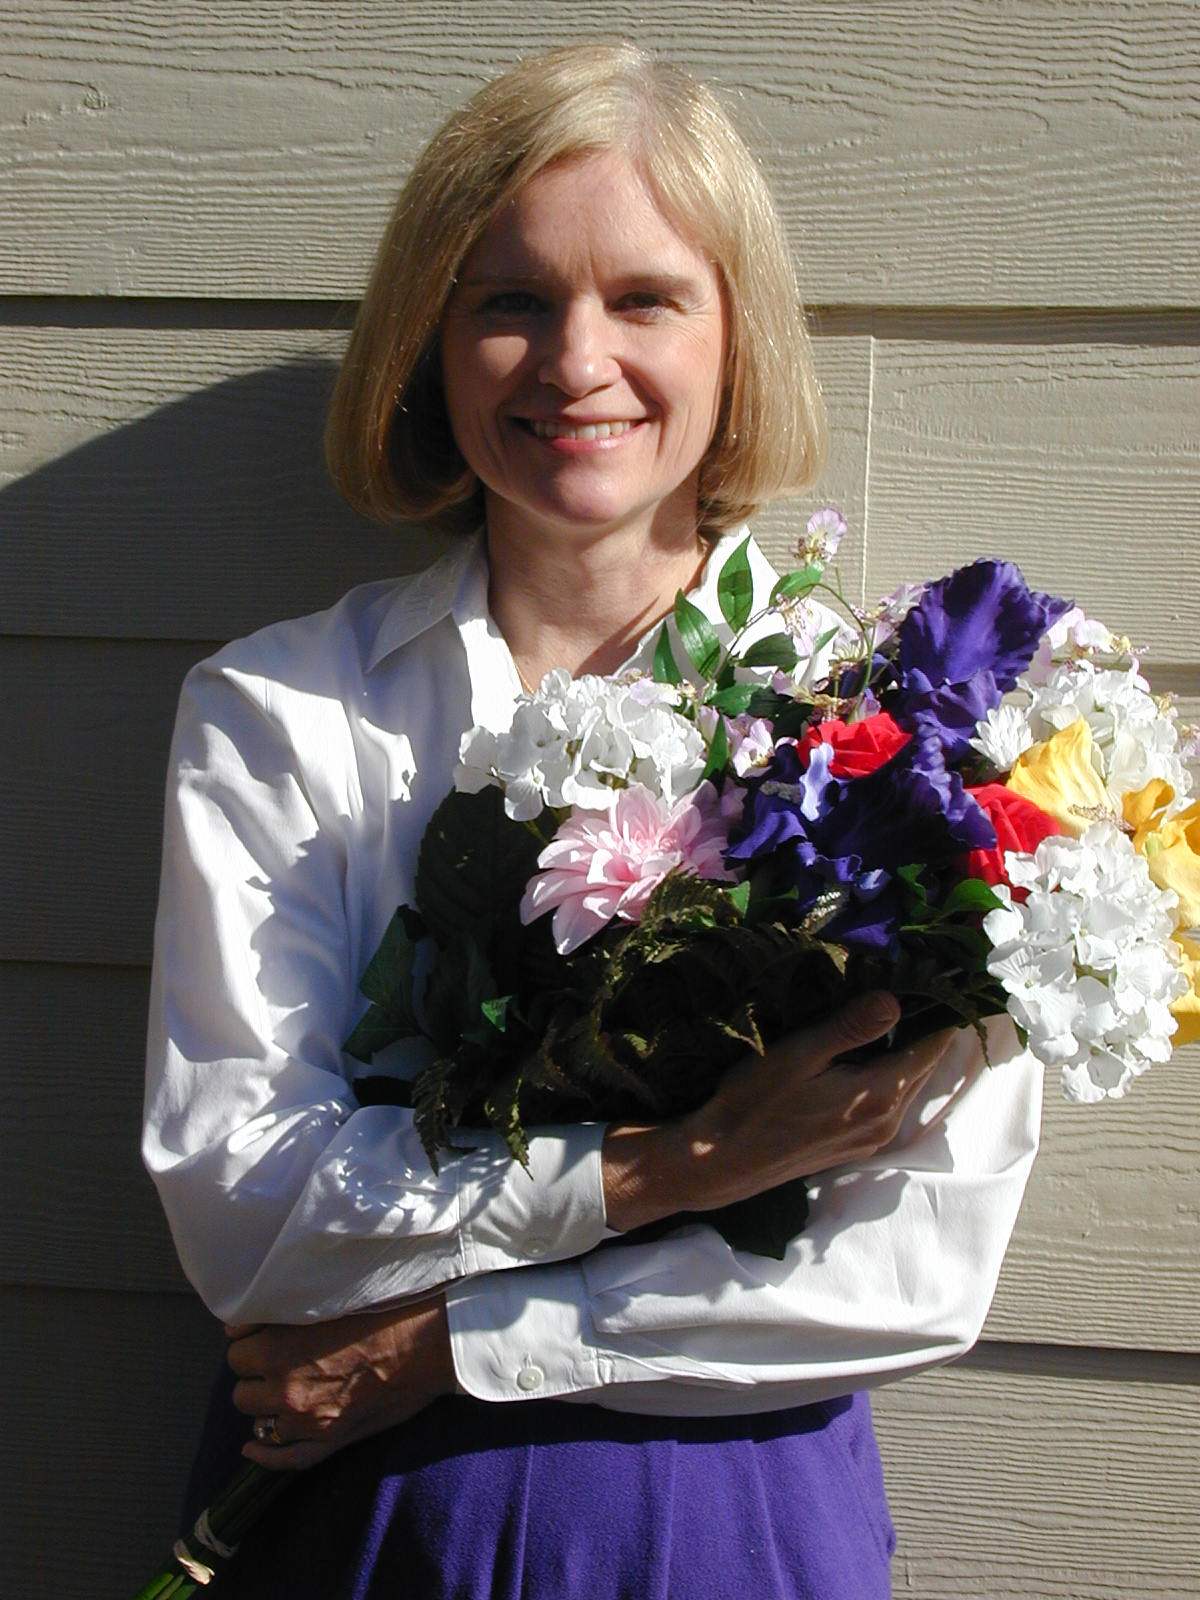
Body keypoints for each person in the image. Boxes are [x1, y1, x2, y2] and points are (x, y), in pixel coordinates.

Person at [144, 42, 1042, 1598]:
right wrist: (670, 1167)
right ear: (427, 345)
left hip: (725, 1519)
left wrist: (448, 1345)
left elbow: (914, 1266)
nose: (575, 360)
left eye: (644, 299)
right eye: (510, 300)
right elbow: (244, 1210)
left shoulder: (896, 738)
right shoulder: (282, 714)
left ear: (736, 341)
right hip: (357, 1517)